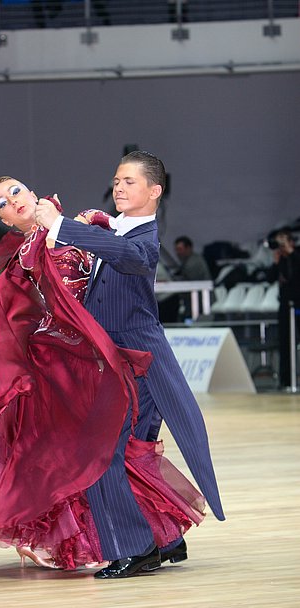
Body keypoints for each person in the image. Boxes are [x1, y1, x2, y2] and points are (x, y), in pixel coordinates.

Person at [0, 176, 205, 572]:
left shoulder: (90, 221)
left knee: (110, 452)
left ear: (32, 193)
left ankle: (154, 539)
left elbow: (130, 264)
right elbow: (21, 321)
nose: (12, 201)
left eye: (15, 192)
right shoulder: (23, 258)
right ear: (6, 221)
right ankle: (160, 538)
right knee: (89, 455)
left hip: (117, 356)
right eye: (2, 204)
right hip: (64, 369)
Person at [35, 150, 225, 579]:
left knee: (101, 452)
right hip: (122, 365)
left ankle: (134, 547)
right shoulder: (113, 229)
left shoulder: (144, 241)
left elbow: (125, 254)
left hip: (139, 368)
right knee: (130, 454)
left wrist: (61, 226)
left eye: (129, 182)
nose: (119, 187)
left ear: (154, 191)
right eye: (117, 180)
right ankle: (164, 537)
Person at [266, 228, 300, 389]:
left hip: (298, 304)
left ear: (291, 242)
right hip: (285, 306)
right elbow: (269, 278)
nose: (281, 246)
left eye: (284, 241)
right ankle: (286, 380)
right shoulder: (280, 259)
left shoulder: (297, 256)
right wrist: (276, 262)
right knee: (285, 343)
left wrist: (291, 252)